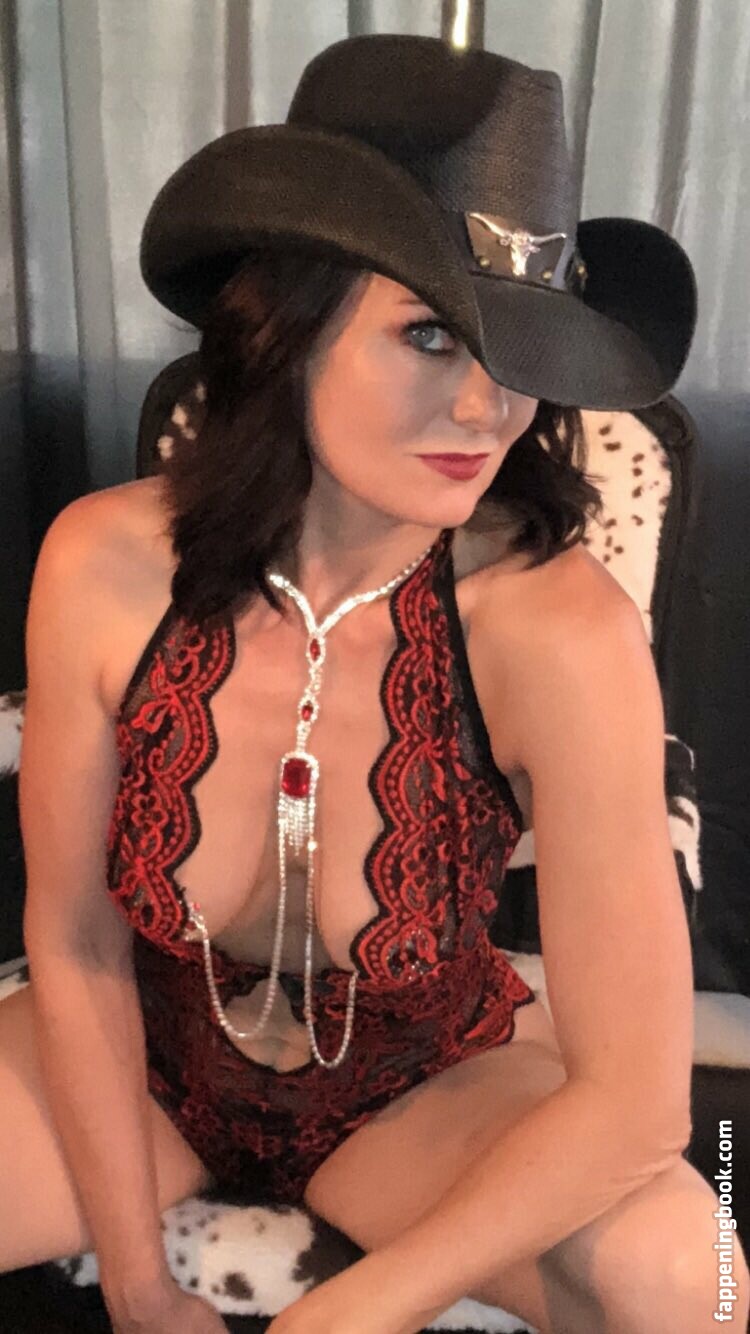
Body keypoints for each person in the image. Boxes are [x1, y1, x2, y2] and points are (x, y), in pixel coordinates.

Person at [2, 30, 747, 1334]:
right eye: (429, 334)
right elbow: (72, 943)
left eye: (520, 354)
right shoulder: (102, 566)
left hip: (420, 1092)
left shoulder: (556, 630)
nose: (487, 409)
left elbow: (638, 1100)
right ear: (283, 328)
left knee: (695, 1278)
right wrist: (138, 1283)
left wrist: (352, 1312)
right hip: (140, 1066)